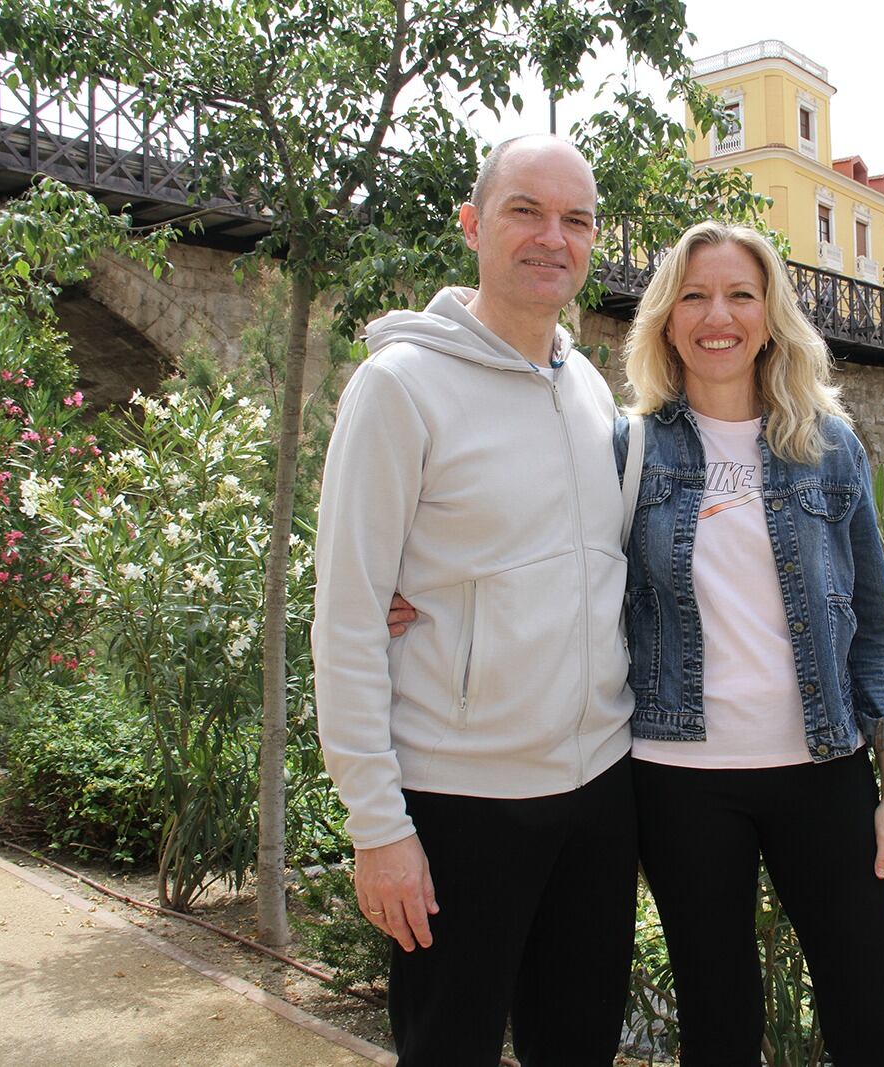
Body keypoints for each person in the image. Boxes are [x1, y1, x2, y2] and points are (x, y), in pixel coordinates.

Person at [311, 134, 638, 1066]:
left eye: (575, 219)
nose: (552, 237)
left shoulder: (585, 387)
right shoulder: (398, 387)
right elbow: (345, 617)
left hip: (598, 792)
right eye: (525, 211)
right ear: (472, 226)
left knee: (578, 1047)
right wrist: (379, 828)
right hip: (461, 799)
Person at [615, 221, 884, 1064]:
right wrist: (424, 588)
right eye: (696, 295)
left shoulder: (829, 447)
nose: (719, 315)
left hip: (823, 770)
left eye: (740, 294)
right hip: (679, 782)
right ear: (667, 319)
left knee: (875, 1020)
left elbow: (877, 629)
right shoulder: (628, 447)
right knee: (719, 1026)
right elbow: (552, 566)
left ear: (771, 314)